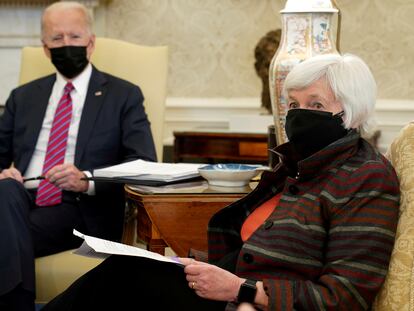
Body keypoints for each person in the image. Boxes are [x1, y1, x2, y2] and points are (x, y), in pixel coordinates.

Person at [42, 53, 400, 311]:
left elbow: (345, 297)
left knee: (122, 281)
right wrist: (194, 264)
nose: (298, 114)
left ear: (350, 113)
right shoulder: (294, 167)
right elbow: (251, 248)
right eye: (293, 104)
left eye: (315, 104)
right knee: (127, 270)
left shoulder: (366, 177)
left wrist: (241, 291)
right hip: (228, 287)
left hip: (251, 300)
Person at [0, 2, 156, 310]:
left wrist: (87, 180)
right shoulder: (23, 96)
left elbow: (142, 162)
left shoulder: (123, 95)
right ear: (45, 48)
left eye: (74, 36)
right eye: (57, 39)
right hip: (21, 198)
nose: (66, 45)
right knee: (5, 190)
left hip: (80, 206)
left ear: (91, 42)